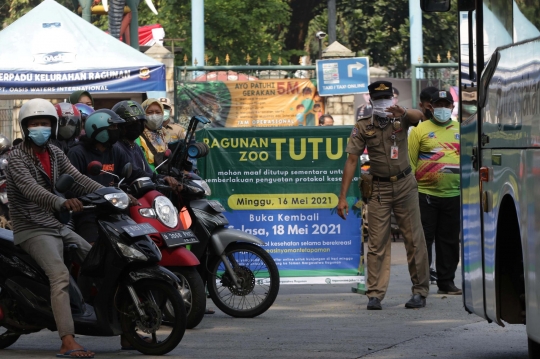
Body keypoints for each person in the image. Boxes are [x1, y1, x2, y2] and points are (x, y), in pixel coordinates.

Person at [6, 98, 102, 358]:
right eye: (35, 124)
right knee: (59, 276)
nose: (40, 128)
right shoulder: (16, 158)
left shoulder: (56, 153)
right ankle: (67, 340)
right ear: (25, 128)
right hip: (32, 228)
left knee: (97, 260)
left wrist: (110, 192)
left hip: (57, 225)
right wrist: (62, 202)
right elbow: (31, 189)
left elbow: (79, 178)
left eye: (45, 123)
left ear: (53, 125)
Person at [337, 80, 430, 310]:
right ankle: (375, 294)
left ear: (393, 99)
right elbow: (351, 160)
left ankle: (420, 291)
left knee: (414, 240)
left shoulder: (402, 117)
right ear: (371, 101)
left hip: (405, 185)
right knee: (376, 243)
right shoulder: (362, 126)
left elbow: (421, 117)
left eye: (387, 98)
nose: (383, 103)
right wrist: (342, 198)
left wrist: (404, 111)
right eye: (379, 99)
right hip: (378, 188)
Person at [408, 90, 462, 295]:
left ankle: (446, 282)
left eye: (446, 105)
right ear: (430, 107)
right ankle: (421, 284)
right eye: (438, 105)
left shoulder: (461, 130)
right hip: (424, 195)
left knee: (448, 241)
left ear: (452, 108)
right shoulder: (419, 131)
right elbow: (411, 163)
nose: (442, 109)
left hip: (454, 194)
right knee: (423, 241)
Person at [68, 109, 147, 244]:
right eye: (113, 127)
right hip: (88, 211)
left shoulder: (115, 150)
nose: (117, 130)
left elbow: (133, 172)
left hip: (114, 209)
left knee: (136, 243)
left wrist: (160, 179)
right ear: (98, 129)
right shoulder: (77, 153)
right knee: (91, 249)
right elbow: (73, 187)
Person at [112, 100, 180, 188]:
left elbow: (147, 171)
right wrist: (158, 177)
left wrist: (163, 177)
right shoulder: (117, 147)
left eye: (140, 122)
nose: (137, 126)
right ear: (120, 125)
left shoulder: (135, 147)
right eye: (132, 123)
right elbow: (135, 172)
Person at [137, 98, 168, 172]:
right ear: (143, 114)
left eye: (158, 112)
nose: (154, 116)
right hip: (150, 178)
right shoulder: (137, 135)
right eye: (150, 112)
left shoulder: (164, 134)